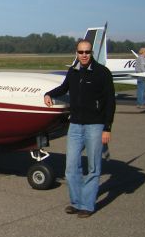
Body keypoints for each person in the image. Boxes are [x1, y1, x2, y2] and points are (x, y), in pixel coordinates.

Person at [44, 39, 116, 218]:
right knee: (71, 167)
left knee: (93, 167)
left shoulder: (102, 73)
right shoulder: (73, 71)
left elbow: (110, 102)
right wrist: (49, 94)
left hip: (95, 126)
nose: (84, 55)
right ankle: (76, 202)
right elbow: (64, 88)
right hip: (75, 125)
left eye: (87, 52)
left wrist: (107, 128)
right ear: (76, 53)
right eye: (81, 52)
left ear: (92, 53)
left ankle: (87, 205)